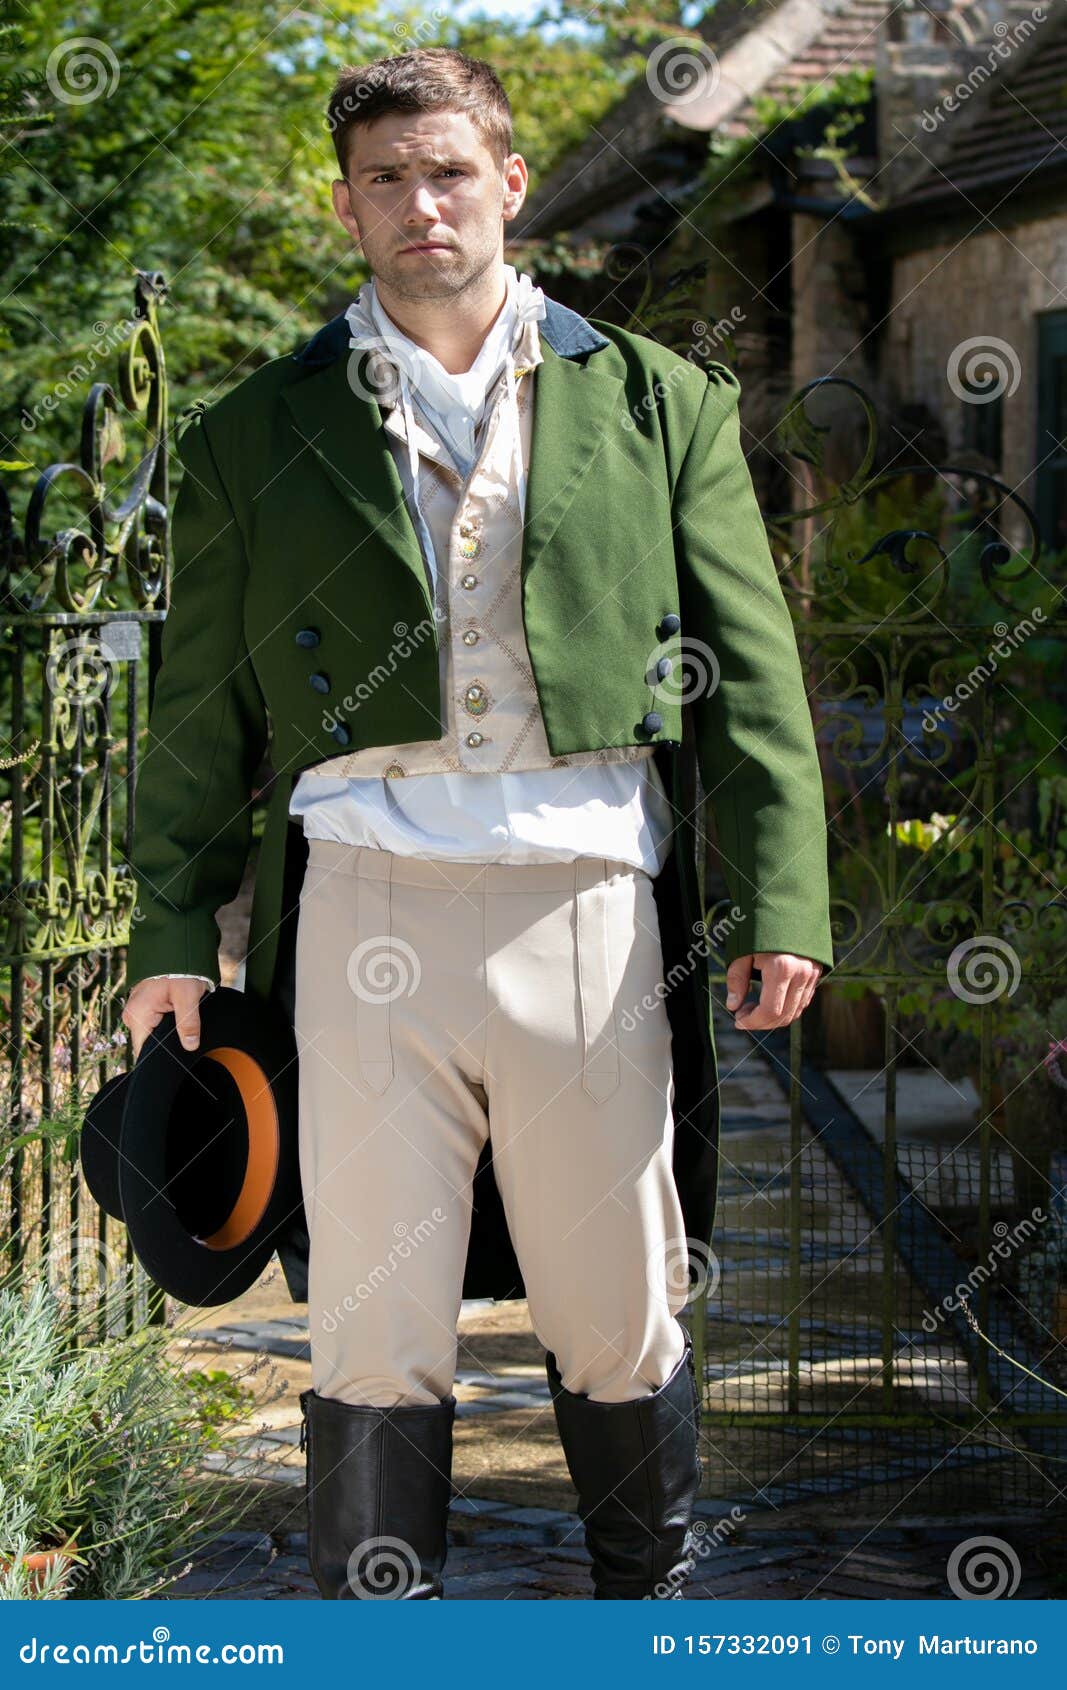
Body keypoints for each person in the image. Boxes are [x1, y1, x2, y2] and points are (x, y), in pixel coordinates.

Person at [121, 47, 833, 1601]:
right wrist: (169, 927)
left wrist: (783, 895)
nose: (419, 203)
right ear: (345, 205)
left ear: (510, 184)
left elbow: (754, 681)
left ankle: (650, 1621)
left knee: (618, 1300)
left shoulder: (660, 404)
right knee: (375, 1326)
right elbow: (198, 711)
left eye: (449, 171)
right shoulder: (257, 432)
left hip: (586, 901)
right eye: (385, 178)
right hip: (368, 902)